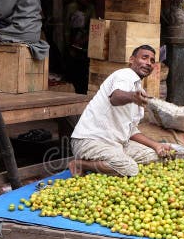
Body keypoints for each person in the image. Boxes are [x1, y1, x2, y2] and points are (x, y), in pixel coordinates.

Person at [69, 45, 172, 177]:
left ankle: (112, 165)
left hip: (116, 144)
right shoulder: (125, 75)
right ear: (131, 60)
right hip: (91, 141)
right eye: (144, 58)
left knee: (154, 157)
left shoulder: (138, 88)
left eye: (152, 61)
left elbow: (131, 131)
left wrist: (156, 145)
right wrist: (133, 97)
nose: (148, 63)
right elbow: (115, 97)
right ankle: (80, 164)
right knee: (130, 169)